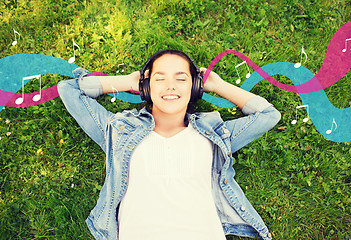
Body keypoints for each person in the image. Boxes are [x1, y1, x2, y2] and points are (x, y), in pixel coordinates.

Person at [57, 49, 281, 240]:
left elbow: (268, 115)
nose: (170, 86)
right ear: (146, 86)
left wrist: (219, 86)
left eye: (181, 79)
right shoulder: (118, 131)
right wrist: (128, 81)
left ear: (195, 87)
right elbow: (70, 90)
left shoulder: (215, 134)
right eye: (160, 78)